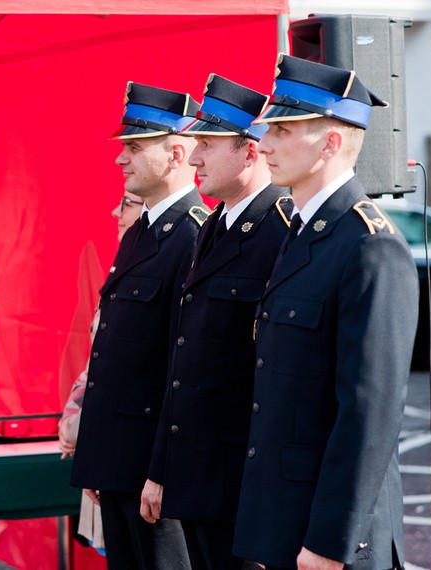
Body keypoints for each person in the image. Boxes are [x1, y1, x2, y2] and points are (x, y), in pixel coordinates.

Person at [233, 54, 419, 570]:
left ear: (332, 143)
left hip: (332, 540)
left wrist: (329, 544)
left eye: (283, 130)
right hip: (284, 521)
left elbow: (369, 415)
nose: (263, 144)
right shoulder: (301, 234)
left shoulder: (369, 246)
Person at [138, 74, 292, 570]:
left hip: (243, 487)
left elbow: (276, 380)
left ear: (250, 152)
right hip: (200, 478)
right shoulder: (214, 228)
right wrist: (162, 468)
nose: (196, 155)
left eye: (207, 143)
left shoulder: (279, 233)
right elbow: (184, 363)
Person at [70, 81, 204, 570]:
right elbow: (115, 353)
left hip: (150, 467)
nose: (119, 160)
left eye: (133, 148)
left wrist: (163, 470)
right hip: (120, 461)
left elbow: (181, 368)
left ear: (174, 155)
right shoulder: (143, 230)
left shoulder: (191, 236)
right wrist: (98, 455)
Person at [59, 189, 145, 552]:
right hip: (103, 443)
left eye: (128, 202)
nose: (115, 211)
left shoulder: (182, 252)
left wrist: (79, 428)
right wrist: (76, 426)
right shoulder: (125, 264)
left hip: (133, 456)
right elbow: (97, 365)